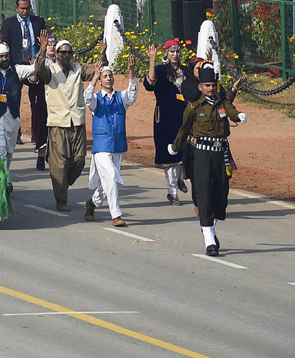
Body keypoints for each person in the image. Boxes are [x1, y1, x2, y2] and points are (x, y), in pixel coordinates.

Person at [169, 65, 248, 256]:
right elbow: (184, 130)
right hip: (202, 154)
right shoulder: (194, 108)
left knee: (221, 194)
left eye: (212, 85)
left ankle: (209, 226)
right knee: (204, 194)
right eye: (207, 85)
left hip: (220, 154)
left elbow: (230, 110)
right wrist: (175, 147)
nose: (211, 88)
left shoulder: (221, 103)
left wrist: (239, 116)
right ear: (200, 87)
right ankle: (209, 238)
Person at [34, 38, 97, 211]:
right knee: (59, 164)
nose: (67, 55)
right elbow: (38, 69)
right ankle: (61, 199)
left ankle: (63, 181)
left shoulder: (78, 69)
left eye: (69, 52)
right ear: (57, 54)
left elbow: (96, 72)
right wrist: (41, 49)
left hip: (77, 121)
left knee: (79, 160)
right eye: (63, 52)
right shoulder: (50, 70)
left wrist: (103, 53)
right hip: (57, 122)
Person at [83, 59, 138, 227]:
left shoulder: (121, 97)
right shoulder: (96, 100)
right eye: (105, 76)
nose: (108, 78)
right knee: (112, 178)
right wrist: (94, 77)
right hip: (101, 148)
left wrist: (131, 72)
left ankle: (92, 203)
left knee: (108, 182)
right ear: (100, 81)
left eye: (110, 76)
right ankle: (116, 215)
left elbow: (132, 95)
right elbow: (86, 98)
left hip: (117, 146)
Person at [0, 0, 48, 169]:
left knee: (38, 102)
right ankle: (16, 131)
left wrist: (38, 61)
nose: (25, 12)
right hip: (15, 67)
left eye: (27, 9)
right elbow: (5, 42)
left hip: (33, 65)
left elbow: (43, 41)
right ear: (16, 8)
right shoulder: (9, 23)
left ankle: (38, 136)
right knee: (14, 101)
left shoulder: (38, 22)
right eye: (22, 9)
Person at [0, 43, 38, 183]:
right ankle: (4, 182)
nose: (4, 59)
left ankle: (3, 174)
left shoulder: (17, 70)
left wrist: (41, 52)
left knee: (9, 151)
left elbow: (36, 68)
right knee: (1, 149)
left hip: (12, 117)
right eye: (1, 56)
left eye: (6, 56)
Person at [145, 41, 189, 204]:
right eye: (172, 51)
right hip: (165, 118)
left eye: (177, 51)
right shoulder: (160, 70)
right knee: (170, 155)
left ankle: (179, 177)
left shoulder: (185, 71)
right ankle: (172, 193)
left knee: (184, 152)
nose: (175, 55)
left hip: (183, 116)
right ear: (166, 53)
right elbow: (150, 84)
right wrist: (151, 61)